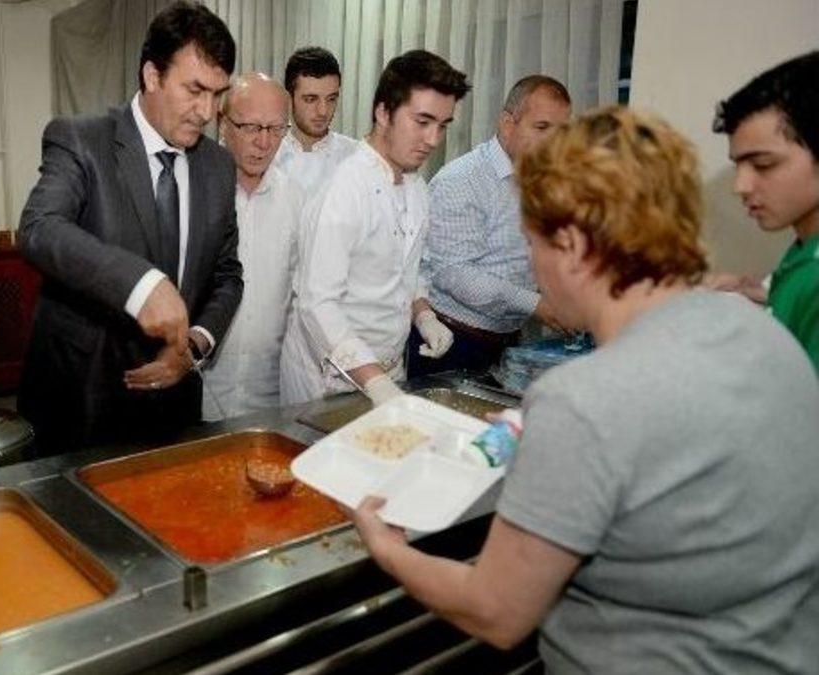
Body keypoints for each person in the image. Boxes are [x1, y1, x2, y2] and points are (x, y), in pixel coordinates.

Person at [350, 107, 819, 673]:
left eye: (533, 243)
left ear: (571, 246)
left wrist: (387, 548)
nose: (534, 266)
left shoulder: (584, 398)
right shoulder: (762, 332)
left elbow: (497, 611)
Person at [18, 1, 242, 452]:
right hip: (82, 401)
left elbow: (226, 275)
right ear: (152, 75)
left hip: (175, 404)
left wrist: (192, 347)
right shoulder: (82, 139)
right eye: (195, 90)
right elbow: (40, 227)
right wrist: (141, 285)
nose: (206, 111)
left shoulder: (219, 165)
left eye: (218, 94)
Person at [280, 50, 468, 407]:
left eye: (443, 125)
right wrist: (375, 381)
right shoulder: (343, 190)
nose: (433, 139)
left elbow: (406, 270)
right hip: (330, 378)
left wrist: (424, 315)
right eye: (423, 121)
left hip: (388, 370)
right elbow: (317, 305)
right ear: (383, 112)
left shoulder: (416, 187)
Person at [410, 75, 572, 377]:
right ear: (508, 124)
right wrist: (537, 305)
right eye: (542, 128)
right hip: (450, 343)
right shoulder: (462, 180)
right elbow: (454, 274)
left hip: (507, 340)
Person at [202, 73, 302, 420]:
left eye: (276, 129)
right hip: (197, 387)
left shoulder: (297, 200)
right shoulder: (194, 192)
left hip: (271, 394)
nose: (264, 142)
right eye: (250, 127)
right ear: (222, 123)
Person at [712, 50, 819, 371]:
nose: (740, 186)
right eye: (739, 166)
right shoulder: (803, 250)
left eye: (763, 164)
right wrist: (765, 293)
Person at [271, 46, 359, 193]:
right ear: (288, 98)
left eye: (331, 99)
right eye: (311, 99)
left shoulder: (355, 157)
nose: (323, 111)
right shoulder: (268, 155)